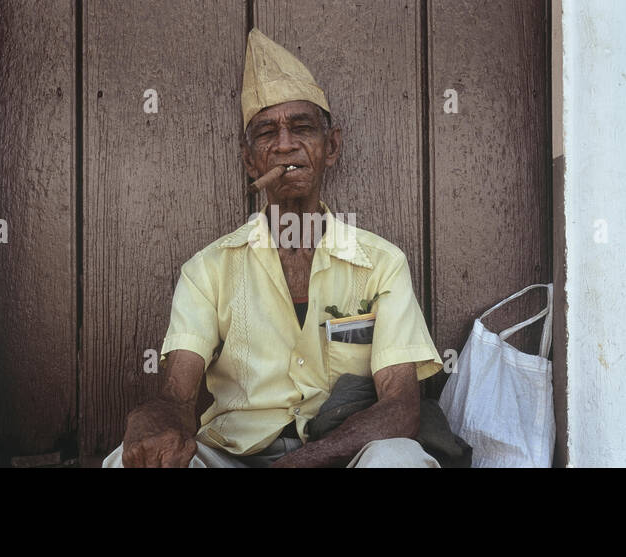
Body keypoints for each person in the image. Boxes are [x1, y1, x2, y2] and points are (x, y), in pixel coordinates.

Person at [103, 29, 442, 468]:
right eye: (267, 133)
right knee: (122, 463)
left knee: (400, 459)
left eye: (301, 128)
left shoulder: (380, 263)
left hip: (342, 454)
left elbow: (401, 407)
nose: (284, 144)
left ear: (331, 146)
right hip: (235, 456)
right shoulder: (208, 269)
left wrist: (299, 464)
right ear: (250, 161)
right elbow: (178, 394)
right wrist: (149, 417)